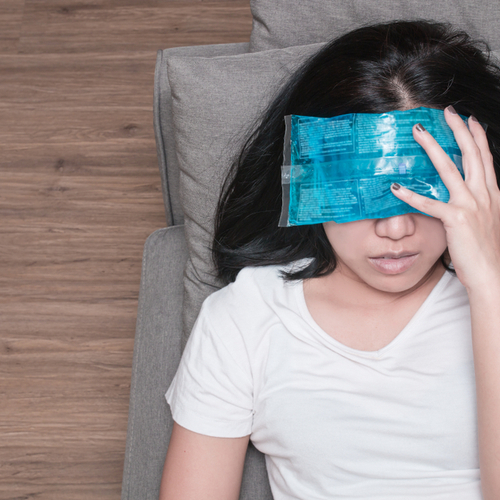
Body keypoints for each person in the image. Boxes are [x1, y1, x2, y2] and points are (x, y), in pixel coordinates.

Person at [159, 20, 500, 500]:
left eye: (427, 191)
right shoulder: (245, 317)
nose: (395, 229)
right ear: (307, 179)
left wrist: (487, 285)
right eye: (361, 193)